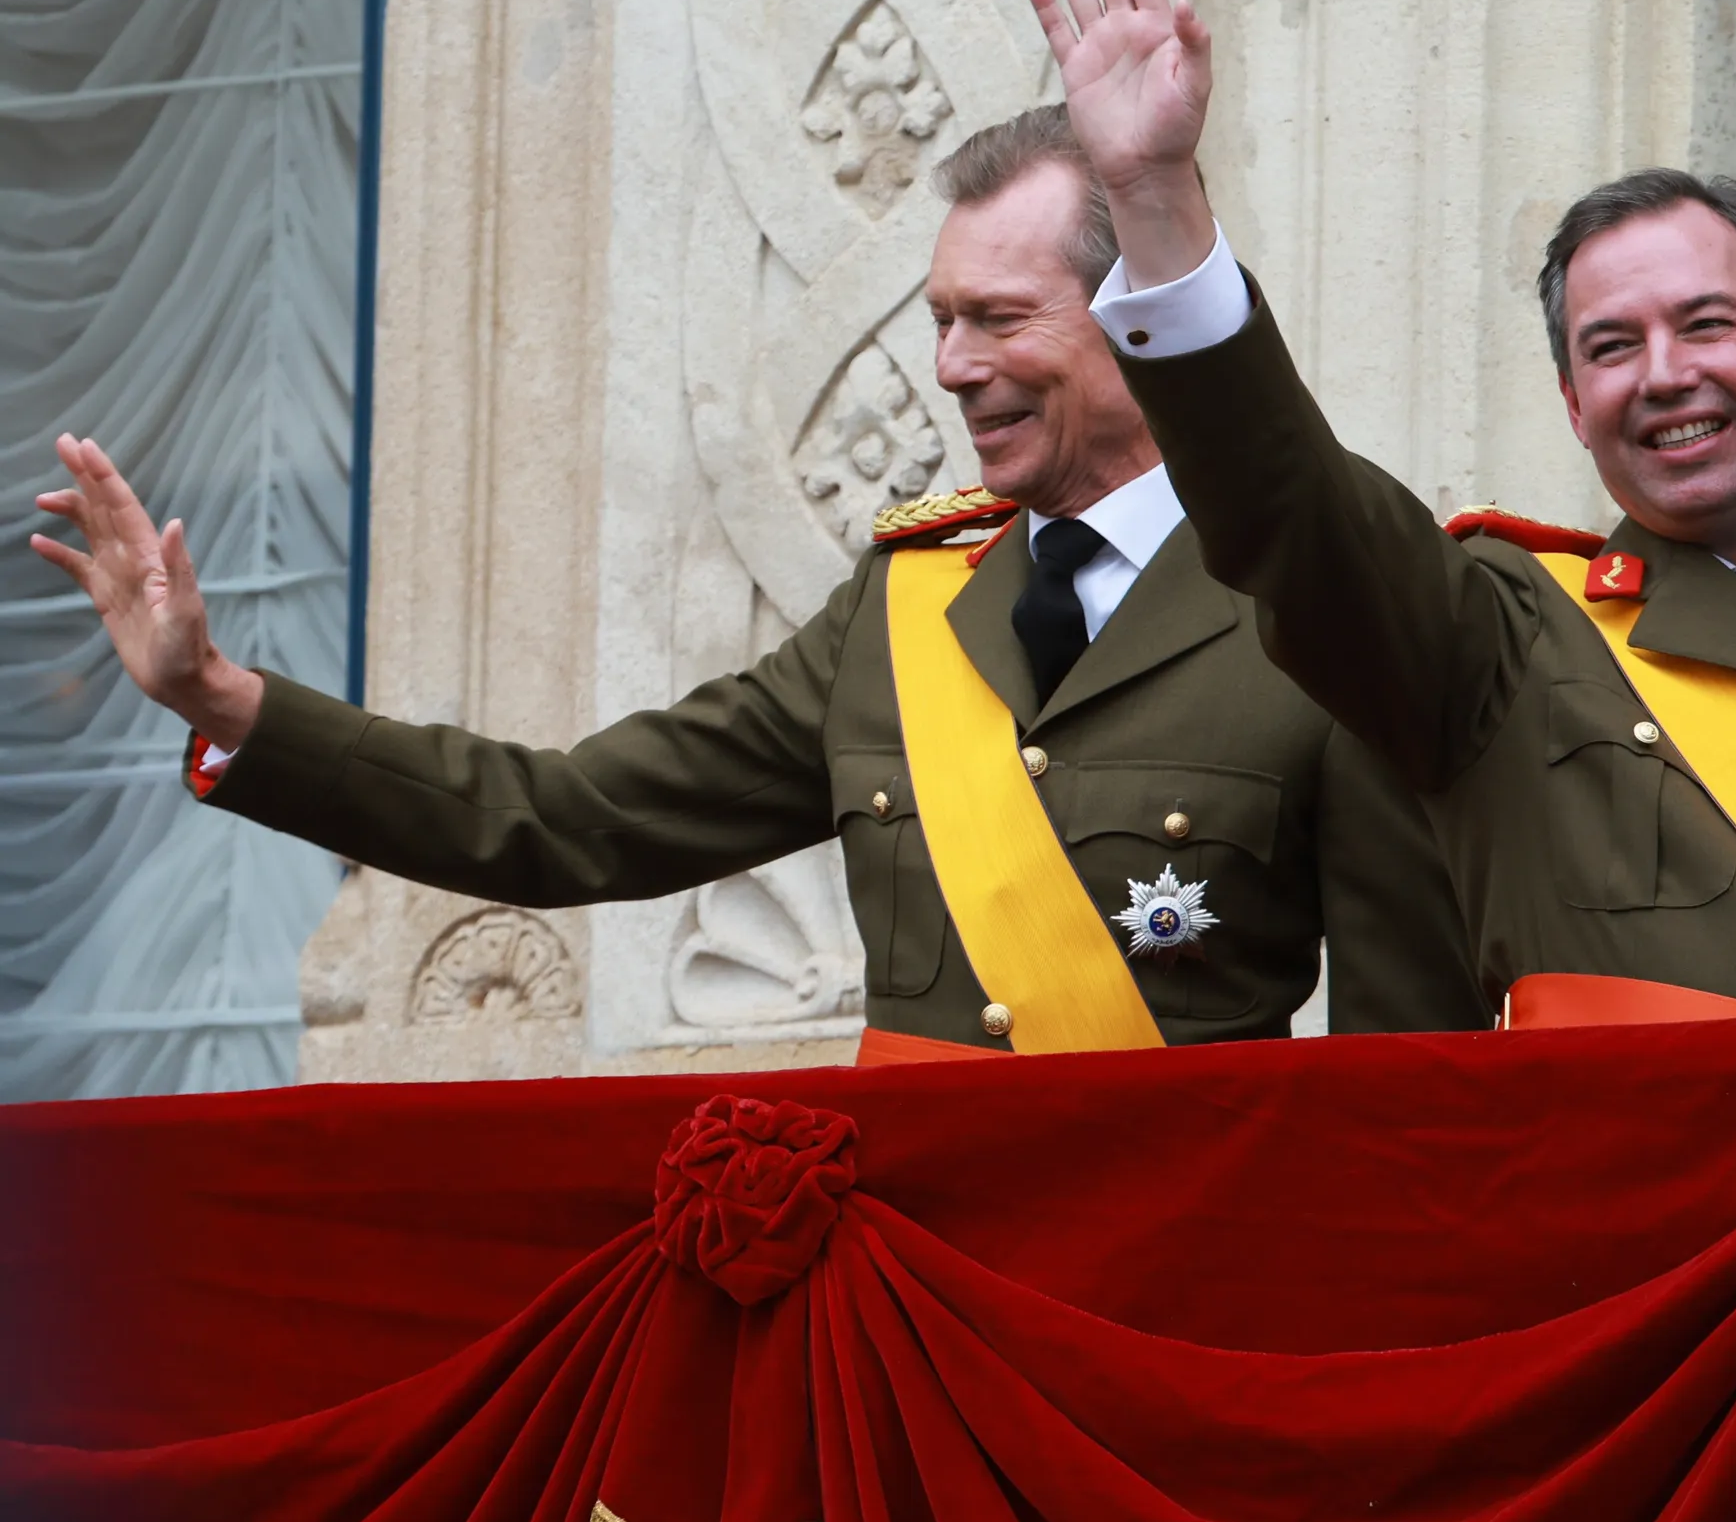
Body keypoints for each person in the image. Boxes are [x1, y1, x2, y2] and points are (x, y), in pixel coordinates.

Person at [26, 107, 1485, 1056]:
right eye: (942, 321)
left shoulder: (1315, 604)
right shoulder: (909, 606)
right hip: (913, 1305)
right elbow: (567, 818)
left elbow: (1407, 1043)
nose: (955, 365)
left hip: (1172, 1307)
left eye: (999, 319)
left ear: (1134, 325)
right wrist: (225, 701)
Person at [1023, 0, 1736, 1022]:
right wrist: (1154, 202)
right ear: (1573, 405)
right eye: (1610, 347)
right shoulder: (1504, 641)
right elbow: (1295, 517)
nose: (1663, 373)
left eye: (1703, 324)